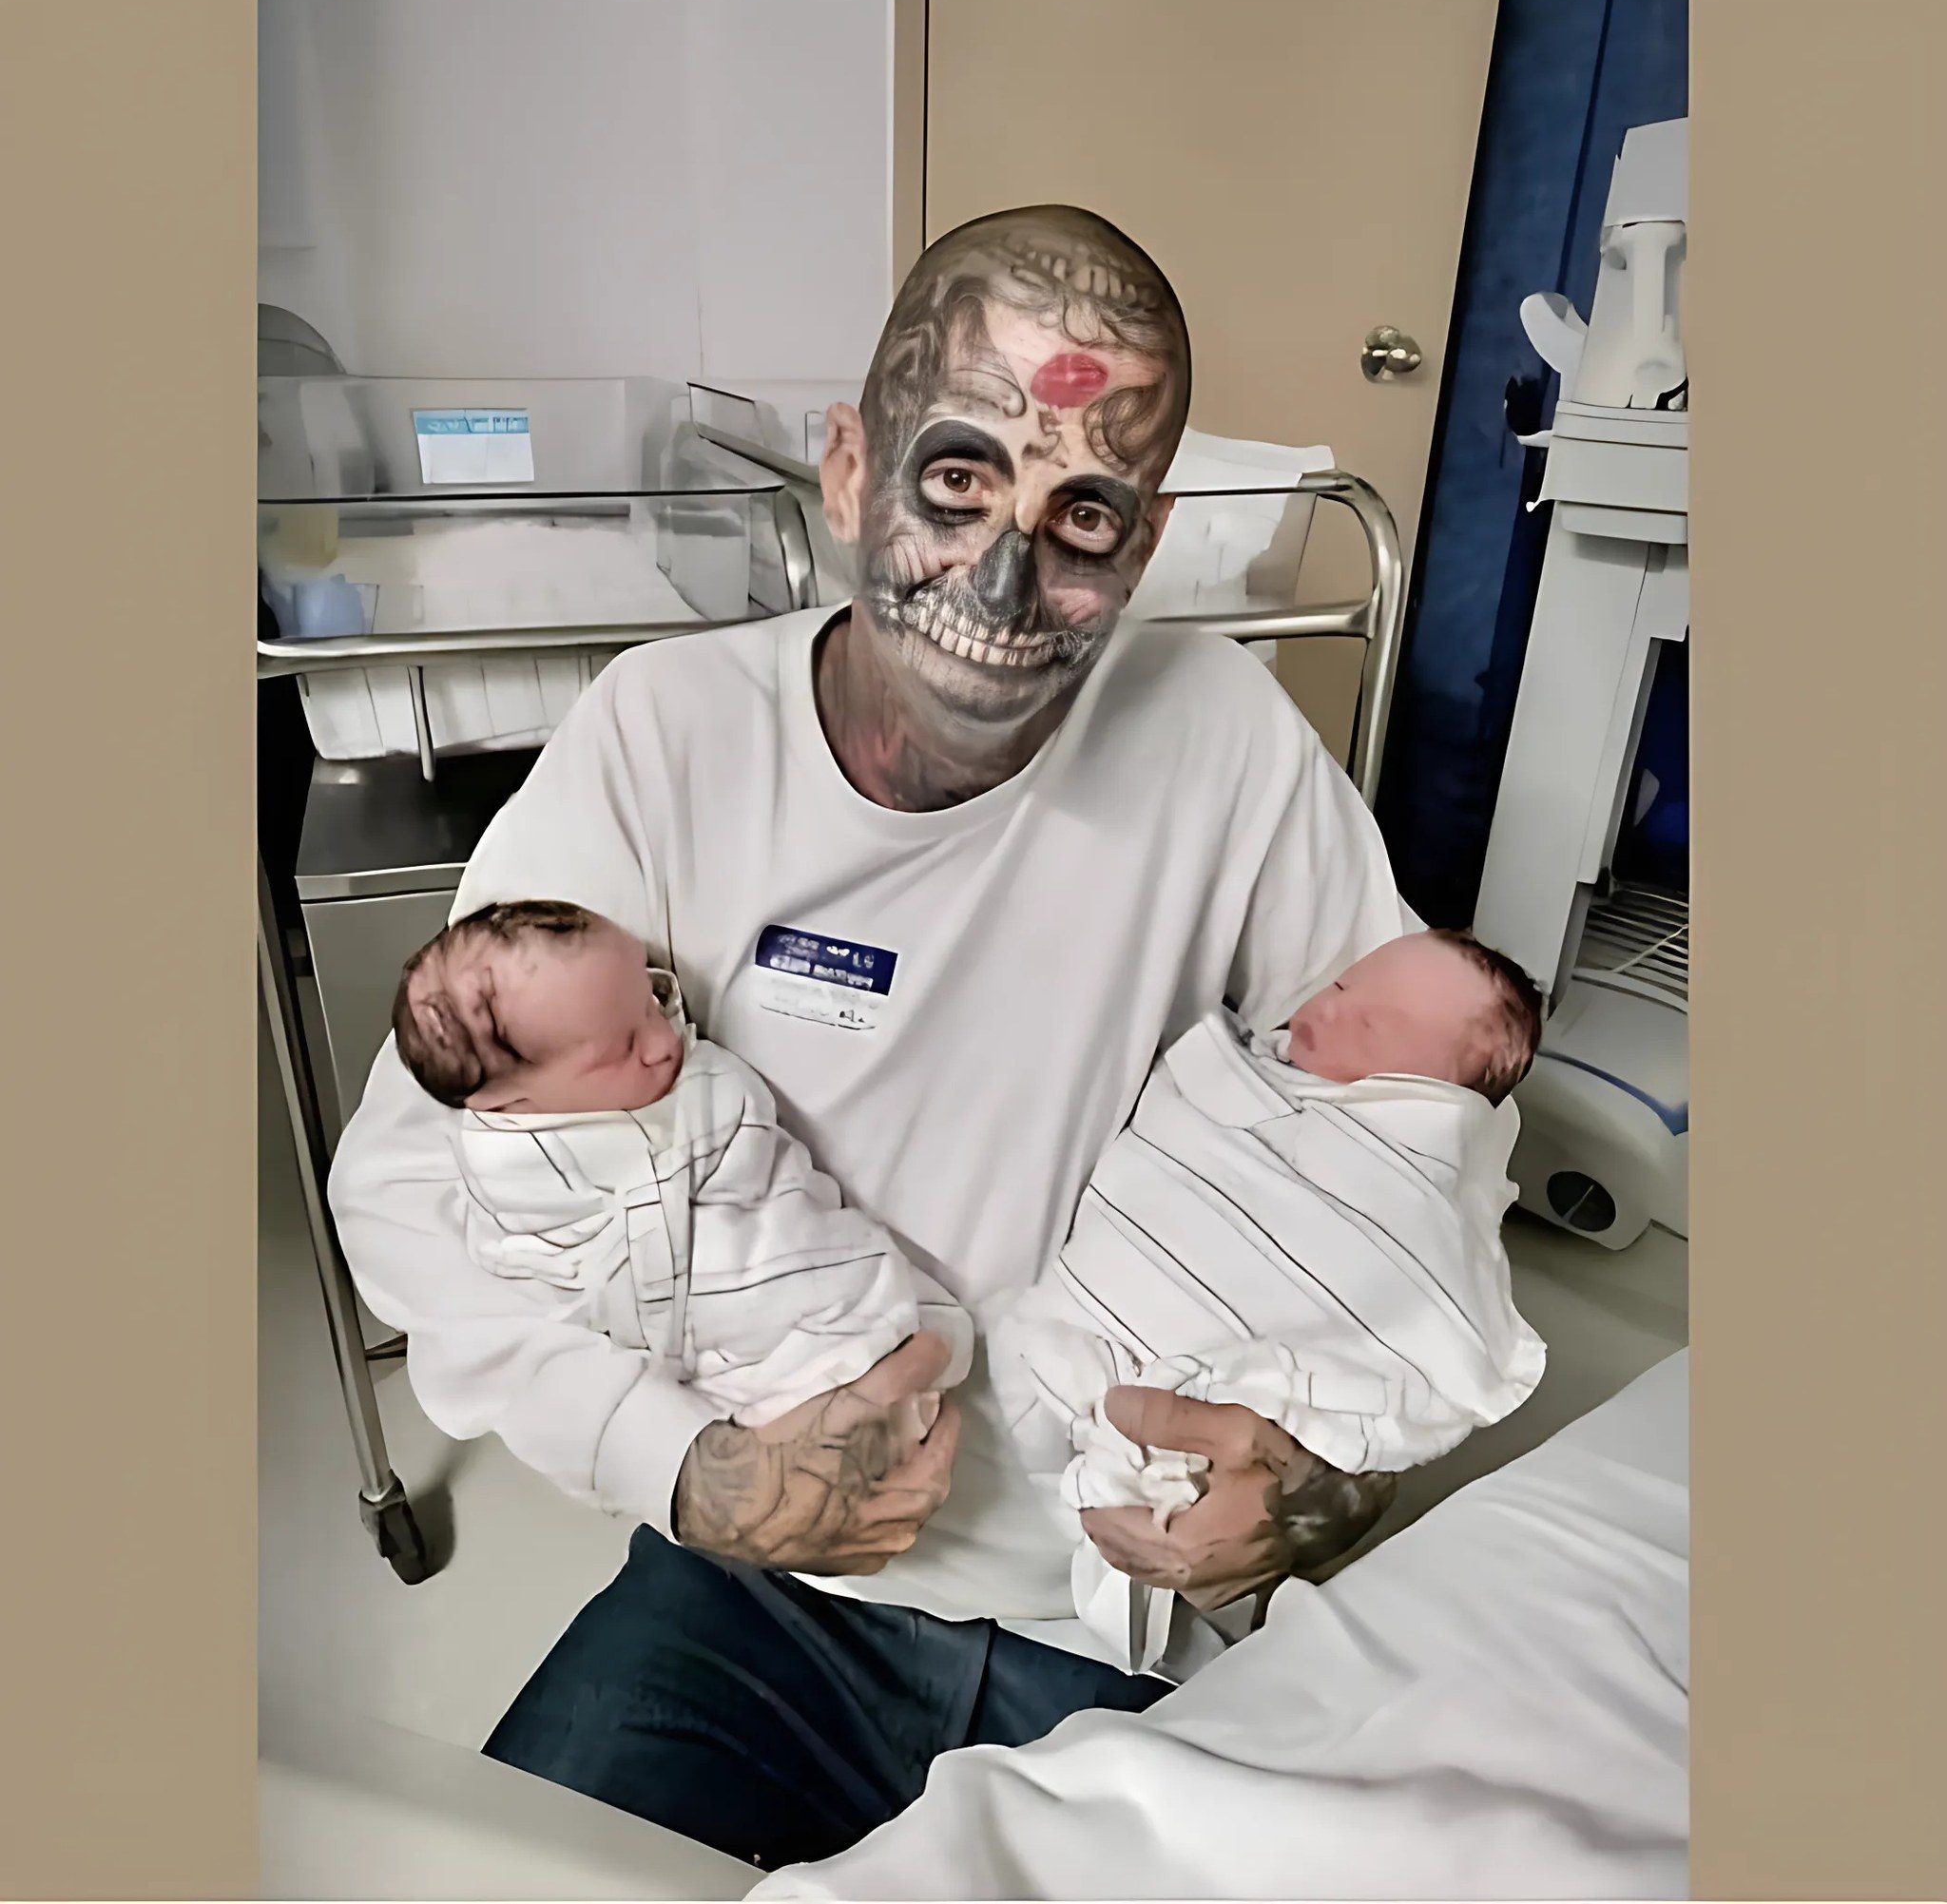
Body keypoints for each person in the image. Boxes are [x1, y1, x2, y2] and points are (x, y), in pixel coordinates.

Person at [328, 202, 1416, 1870]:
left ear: (1146, 543)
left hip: (1108, 1599)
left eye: (1082, 516)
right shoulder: (667, 737)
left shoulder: (1231, 753)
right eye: (956, 480)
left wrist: (1326, 1473)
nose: (1003, 579)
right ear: (845, 470)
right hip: (756, 1589)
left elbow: (1415, 1148)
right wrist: (687, 1471)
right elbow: (406, 1181)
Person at [992, 929, 1548, 1671]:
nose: (1330, 1007)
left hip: (1079, 1564)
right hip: (969, 1442)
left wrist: (1305, 1481)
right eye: (1340, 988)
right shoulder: (1236, 1076)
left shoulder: (1412, 1179)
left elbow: (1415, 1301)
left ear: (1432, 1093)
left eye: (1371, 1024)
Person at [389, 897, 974, 1433]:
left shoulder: (599, 1068)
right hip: (726, 1337)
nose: (663, 1042)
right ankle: (848, 1368)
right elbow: (569, 1282)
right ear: (511, 1106)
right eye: (623, 1046)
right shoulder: (525, 1174)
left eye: (649, 998)